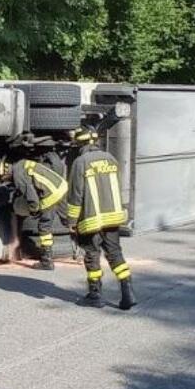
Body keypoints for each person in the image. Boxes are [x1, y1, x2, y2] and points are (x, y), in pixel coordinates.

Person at [65, 129, 137, 310]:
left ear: (80, 145)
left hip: (91, 218)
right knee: (115, 253)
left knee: (92, 253)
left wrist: (71, 221)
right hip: (113, 216)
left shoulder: (80, 162)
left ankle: (95, 294)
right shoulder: (111, 159)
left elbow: (75, 195)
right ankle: (127, 291)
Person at [0, 156, 69, 270]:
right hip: (61, 186)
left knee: (44, 227)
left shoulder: (18, 177)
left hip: (50, 195)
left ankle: (46, 261)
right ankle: (87, 246)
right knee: (67, 220)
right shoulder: (22, 163)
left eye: (3, 179)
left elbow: (32, 197)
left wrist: (34, 211)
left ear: (5, 174)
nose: (5, 181)